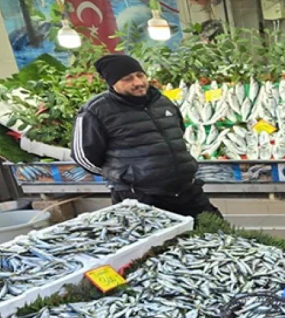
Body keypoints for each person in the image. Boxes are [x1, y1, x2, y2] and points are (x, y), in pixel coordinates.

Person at [72, 54, 221, 219]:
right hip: (141, 198)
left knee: (216, 230)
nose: (138, 82)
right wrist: (122, 176)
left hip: (187, 191)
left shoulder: (162, 101)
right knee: (158, 243)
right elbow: (83, 156)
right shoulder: (95, 111)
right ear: (111, 82)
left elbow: (179, 132)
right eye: (128, 79)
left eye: (140, 75)